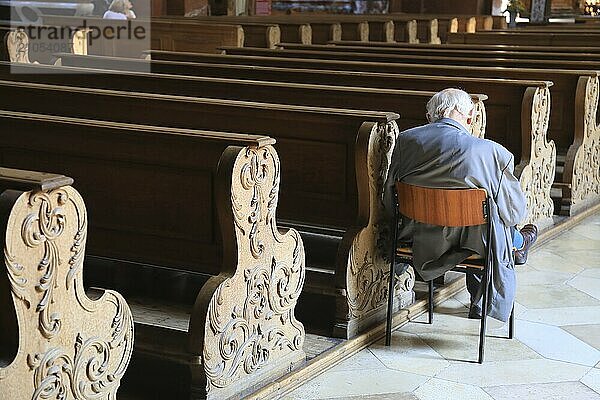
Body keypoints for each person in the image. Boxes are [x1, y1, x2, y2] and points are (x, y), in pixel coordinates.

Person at [383, 88, 538, 322]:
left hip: (419, 239)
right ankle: (515, 251)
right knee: (493, 219)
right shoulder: (491, 152)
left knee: (483, 217)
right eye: (471, 115)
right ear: (463, 114)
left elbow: (388, 197)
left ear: (431, 116)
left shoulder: (405, 140)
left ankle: (519, 242)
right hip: (475, 243)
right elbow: (514, 212)